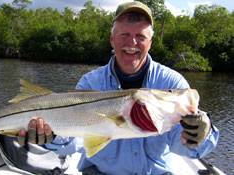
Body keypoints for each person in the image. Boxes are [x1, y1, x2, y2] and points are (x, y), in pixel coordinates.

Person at [19, 1, 219, 174]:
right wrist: (51, 138)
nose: (132, 43)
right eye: (124, 34)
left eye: (140, 37)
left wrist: (201, 133)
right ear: (112, 40)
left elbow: (183, 149)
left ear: (150, 42)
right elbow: (75, 144)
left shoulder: (172, 83)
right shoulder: (90, 83)